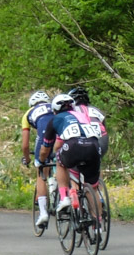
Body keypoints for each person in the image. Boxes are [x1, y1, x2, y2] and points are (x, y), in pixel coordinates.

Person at [38, 93, 103, 221]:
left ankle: (64, 198)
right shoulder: (83, 116)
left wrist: (41, 161)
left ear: (55, 110)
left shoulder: (55, 120)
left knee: (59, 160)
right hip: (94, 147)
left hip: (74, 146)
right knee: (92, 188)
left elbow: (46, 148)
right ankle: (97, 226)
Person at [19, 90, 54, 228]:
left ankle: (43, 212)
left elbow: (25, 145)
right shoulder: (54, 107)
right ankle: (62, 194)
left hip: (45, 138)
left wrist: (27, 159)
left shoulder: (28, 113)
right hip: (62, 136)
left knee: (40, 171)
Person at [68, 85, 107, 156]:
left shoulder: (70, 111)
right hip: (101, 143)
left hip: (82, 144)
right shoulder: (97, 110)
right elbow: (104, 128)